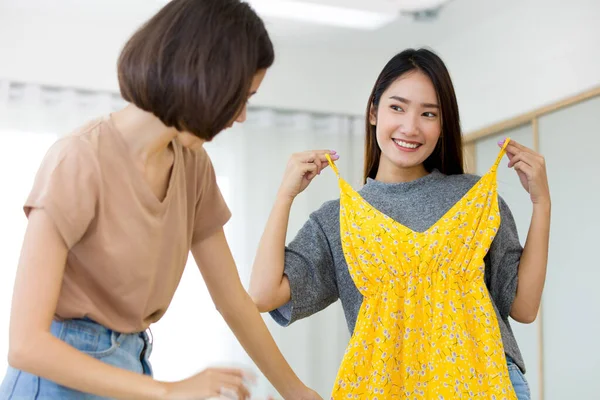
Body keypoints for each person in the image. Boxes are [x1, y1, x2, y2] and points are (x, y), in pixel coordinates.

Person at [0, 1, 323, 399]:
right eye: (240, 96)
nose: (240, 116)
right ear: (202, 77)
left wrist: (297, 392)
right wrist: (171, 391)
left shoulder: (192, 166)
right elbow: (26, 345)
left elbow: (234, 301)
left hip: (132, 367)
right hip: (56, 380)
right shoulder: (79, 160)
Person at [249, 48, 550, 400]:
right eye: (397, 107)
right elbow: (262, 294)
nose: (410, 126)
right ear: (374, 112)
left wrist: (541, 203)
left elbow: (524, 307)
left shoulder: (475, 198)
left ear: (443, 124)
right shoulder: (339, 219)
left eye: (428, 113)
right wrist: (284, 196)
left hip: (490, 383)